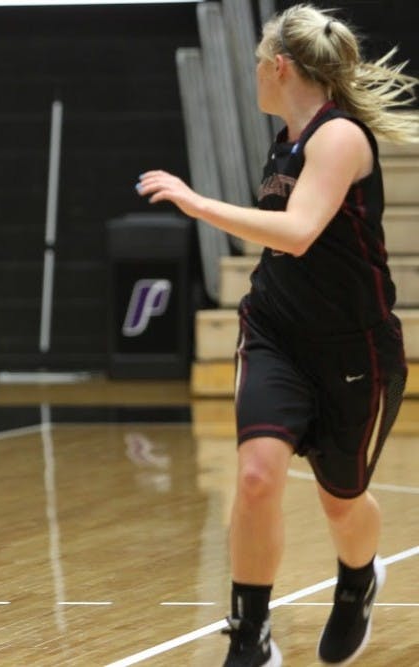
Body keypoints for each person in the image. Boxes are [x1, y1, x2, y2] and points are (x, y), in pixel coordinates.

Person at [137, 4, 418, 666]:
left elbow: (296, 233)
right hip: (276, 335)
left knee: (341, 500)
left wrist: (195, 199)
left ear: (280, 66)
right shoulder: (285, 140)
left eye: (259, 63)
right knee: (257, 476)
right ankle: (250, 633)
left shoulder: (340, 137)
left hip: (355, 351)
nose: (255, 75)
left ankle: (356, 581)